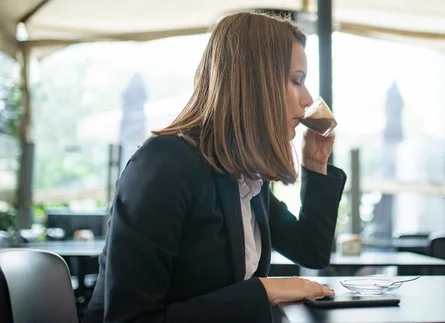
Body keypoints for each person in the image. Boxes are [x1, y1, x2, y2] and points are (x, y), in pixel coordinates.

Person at [83, 11, 347, 323]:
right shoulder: (164, 167)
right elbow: (131, 318)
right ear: (255, 82)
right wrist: (263, 291)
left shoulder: (244, 175)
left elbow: (311, 251)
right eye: (296, 81)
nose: (307, 99)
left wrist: (315, 164)